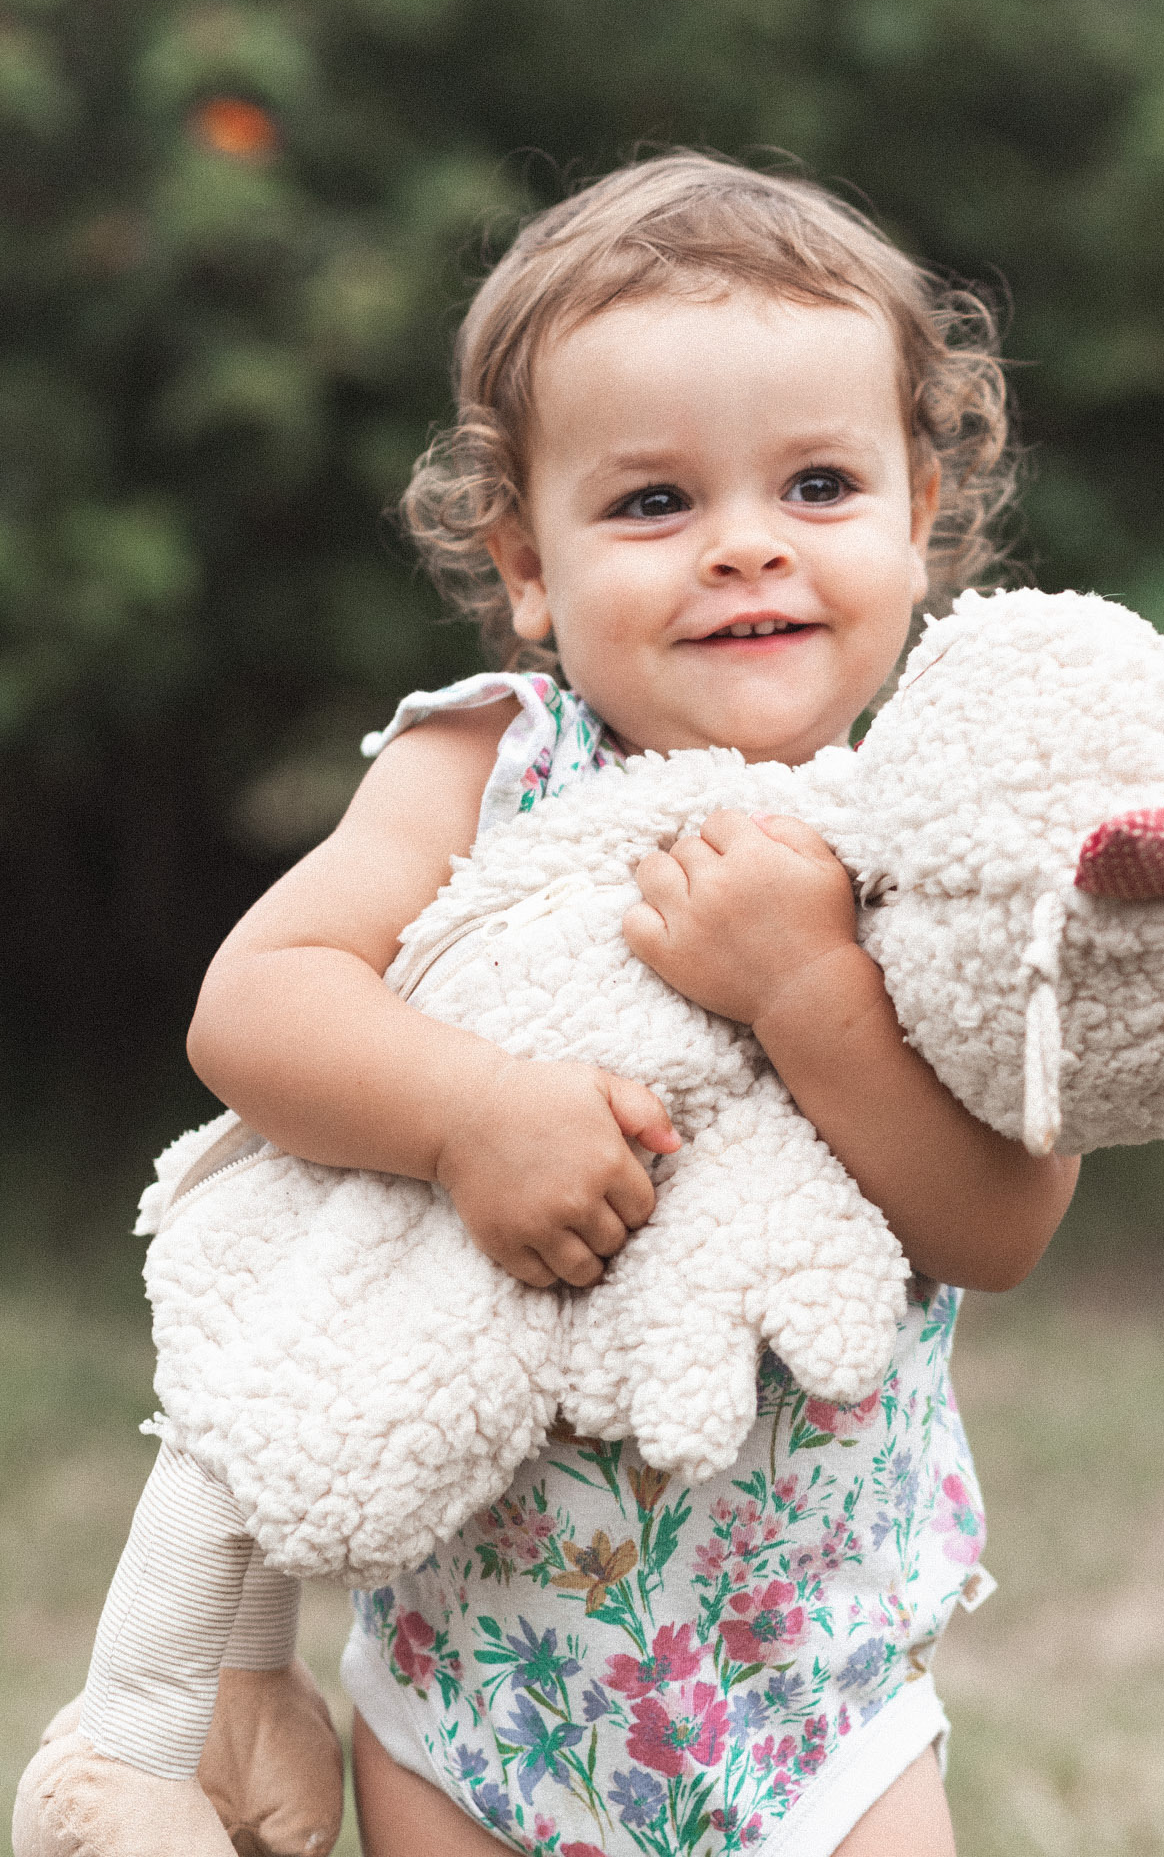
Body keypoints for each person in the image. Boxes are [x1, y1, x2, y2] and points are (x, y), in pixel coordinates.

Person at [186, 152, 1081, 1857]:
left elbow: (1002, 1219)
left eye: (817, 482)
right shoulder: (478, 764)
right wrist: (467, 1117)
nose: (744, 546)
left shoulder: (941, 838)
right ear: (530, 563)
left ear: (919, 517)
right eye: (655, 505)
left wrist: (810, 984)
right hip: (473, 1687)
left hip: (816, 1693)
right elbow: (257, 1004)